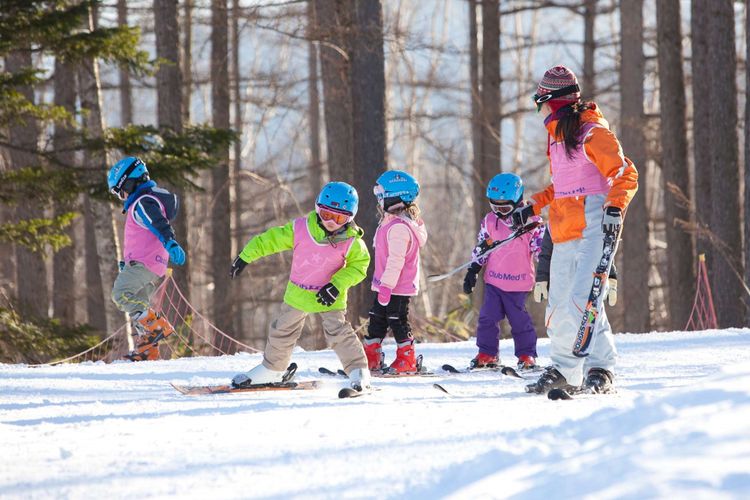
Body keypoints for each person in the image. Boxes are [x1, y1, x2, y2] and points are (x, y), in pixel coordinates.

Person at [512, 65, 638, 394]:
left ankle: (598, 369)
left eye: (540, 102)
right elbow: (563, 187)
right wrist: (534, 205)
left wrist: (614, 206)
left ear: (554, 102)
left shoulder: (592, 133)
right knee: (559, 305)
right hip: (564, 225)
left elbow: (626, 174)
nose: (539, 110)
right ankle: (567, 369)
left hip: (594, 223)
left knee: (584, 300)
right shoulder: (557, 140)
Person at [230, 182, 372, 391]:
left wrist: (336, 285)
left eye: (339, 217)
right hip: (298, 292)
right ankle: (273, 369)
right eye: (325, 214)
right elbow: (270, 240)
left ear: (350, 217)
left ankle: (359, 371)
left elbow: (360, 266)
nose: (331, 221)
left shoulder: (352, 242)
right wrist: (245, 256)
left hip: (329, 296)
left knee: (339, 333)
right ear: (317, 209)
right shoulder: (300, 229)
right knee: (282, 330)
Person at [463, 172, 545, 372]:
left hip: (518, 284)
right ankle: (487, 353)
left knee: (519, 322)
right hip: (494, 282)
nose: (499, 212)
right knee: (487, 318)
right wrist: (473, 269)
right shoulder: (490, 221)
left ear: (517, 201)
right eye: (495, 206)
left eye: (504, 207)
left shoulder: (531, 223)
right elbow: (483, 246)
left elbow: (540, 249)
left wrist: (546, 273)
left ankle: (527, 355)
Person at [107, 156, 185, 361]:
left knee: (121, 294)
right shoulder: (144, 202)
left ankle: (157, 325)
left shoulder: (143, 203)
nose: (122, 197)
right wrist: (126, 260)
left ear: (131, 182)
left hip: (143, 265)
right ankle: (148, 350)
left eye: (121, 191)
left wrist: (171, 242)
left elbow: (158, 223)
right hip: (148, 264)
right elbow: (143, 237)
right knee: (138, 304)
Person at [362, 170, 428, 374]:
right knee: (377, 318)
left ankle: (407, 358)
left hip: (396, 287)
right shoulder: (390, 221)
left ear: (395, 197)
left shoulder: (399, 227)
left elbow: (396, 261)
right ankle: (370, 356)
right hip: (386, 284)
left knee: (396, 319)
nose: (379, 200)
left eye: (381, 195)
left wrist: (386, 286)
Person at [534, 228, 618, 307]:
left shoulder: (593, 216)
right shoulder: (555, 218)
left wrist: (611, 279)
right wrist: (541, 279)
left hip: (588, 285)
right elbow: (546, 252)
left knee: (589, 317)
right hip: (562, 284)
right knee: (560, 317)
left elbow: (604, 248)